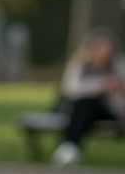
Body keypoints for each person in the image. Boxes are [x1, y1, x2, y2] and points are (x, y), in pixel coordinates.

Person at [52, 28, 125, 166]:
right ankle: (70, 148)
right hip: (83, 109)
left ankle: (69, 146)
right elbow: (70, 89)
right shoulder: (80, 65)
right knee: (85, 105)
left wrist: (118, 87)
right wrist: (101, 85)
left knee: (85, 108)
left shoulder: (118, 66)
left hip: (111, 110)